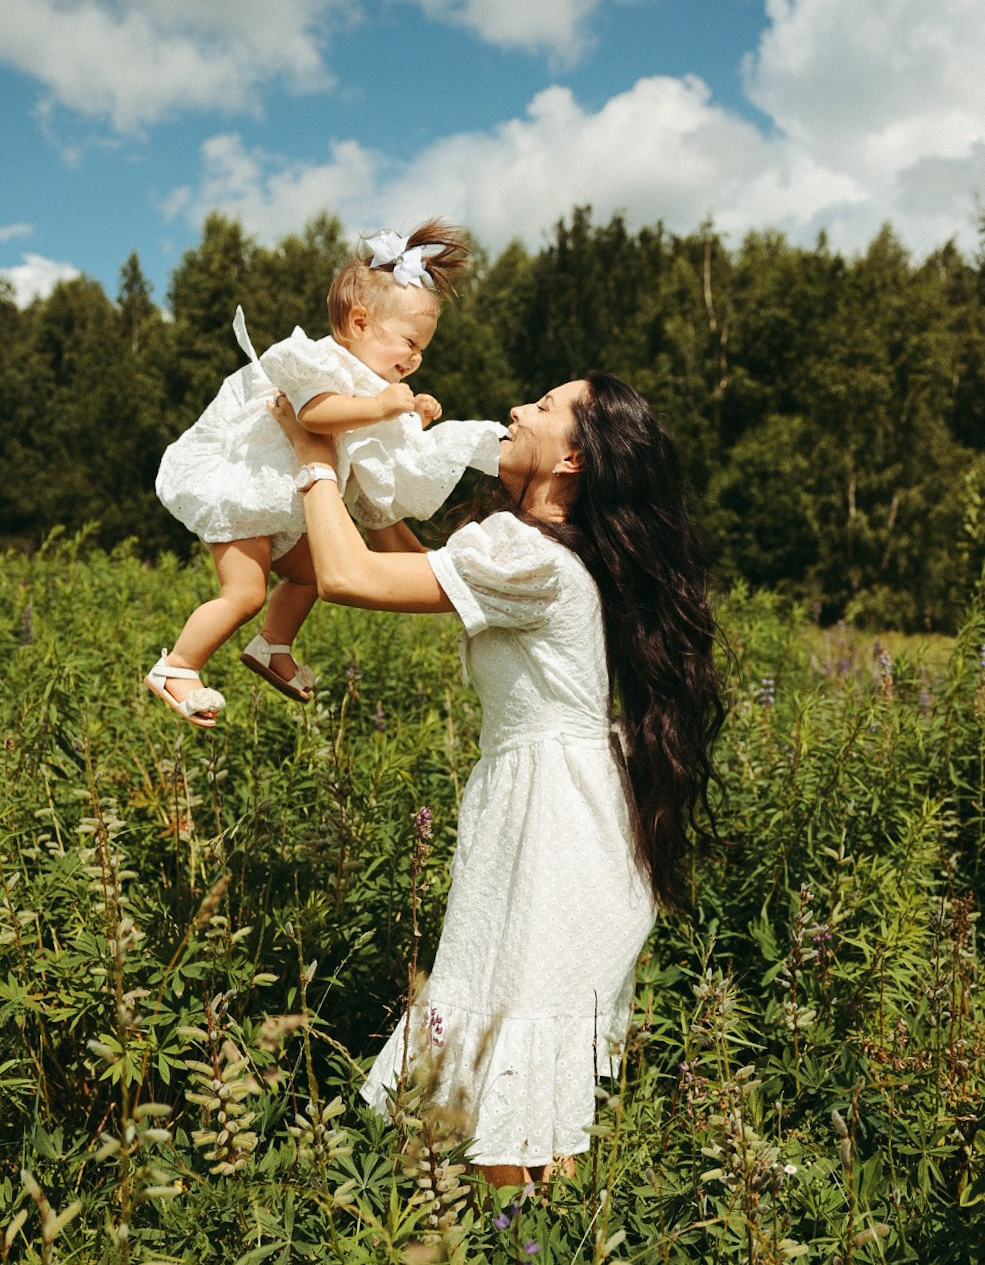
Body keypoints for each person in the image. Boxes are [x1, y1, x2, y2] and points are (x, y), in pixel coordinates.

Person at [269, 374, 724, 1187]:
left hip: (554, 829)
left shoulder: (524, 553)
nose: (515, 411)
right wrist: (371, 488)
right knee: (526, 1107)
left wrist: (312, 446)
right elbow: (424, 573)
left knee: (507, 1113)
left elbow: (348, 577)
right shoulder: (540, 553)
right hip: (570, 819)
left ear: (575, 457)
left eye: (543, 407)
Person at [145, 221, 503, 726]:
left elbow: (370, 446)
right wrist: (381, 406)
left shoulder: (366, 384)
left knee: (314, 573)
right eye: (408, 342)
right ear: (359, 323)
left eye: (424, 347)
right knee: (243, 594)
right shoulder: (318, 362)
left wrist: (410, 419)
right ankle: (178, 667)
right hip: (246, 492)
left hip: (285, 507)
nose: (417, 357)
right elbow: (314, 416)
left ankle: (273, 645)